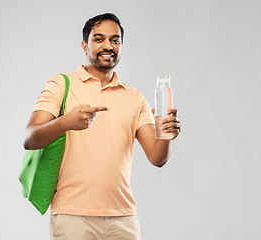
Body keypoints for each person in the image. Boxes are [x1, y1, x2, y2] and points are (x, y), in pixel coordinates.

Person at [23, 13, 181, 240]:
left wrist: (167, 135)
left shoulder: (135, 97)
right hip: (73, 217)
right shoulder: (60, 84)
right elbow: (29, 138)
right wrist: (66, 122)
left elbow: (157, 158)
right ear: (84, 45)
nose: (108, 46)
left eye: (115, 40)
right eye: (99, 39)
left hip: (123, 218)